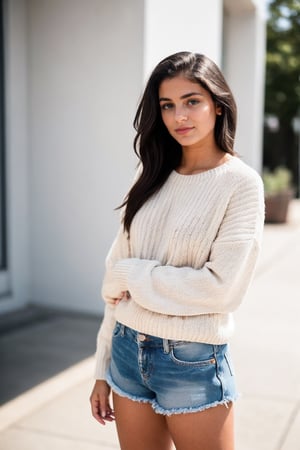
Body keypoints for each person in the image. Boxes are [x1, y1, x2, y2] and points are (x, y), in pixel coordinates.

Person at [90, 51, 265, 450]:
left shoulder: (240, 185)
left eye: (192, 102)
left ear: (218, 107)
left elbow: (220, 289)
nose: (178, 117)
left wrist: (133, 275)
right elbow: (114, 283)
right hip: (126, 348)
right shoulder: (149, 173)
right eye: (167, 106)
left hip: (192, 360)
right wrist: (101, 367)